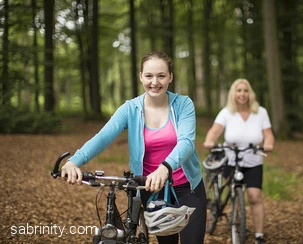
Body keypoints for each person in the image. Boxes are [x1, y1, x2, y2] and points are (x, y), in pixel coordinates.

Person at [61, 51, 206, 244]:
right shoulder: (130, 108)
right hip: (150, 188)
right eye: (149, 76)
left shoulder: (183, 104)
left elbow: (186, 143)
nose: (155, 82)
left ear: (170, 77)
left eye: (161, 75)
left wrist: (164, 168)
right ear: (141, 77)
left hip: (187, 187)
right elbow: (103, 137)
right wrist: (73, 161)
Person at [203, 78, 275, 244]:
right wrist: (209, 141)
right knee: (233, 191)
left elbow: (268, 134)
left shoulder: (260, 112)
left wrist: (268, 144)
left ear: (250, 94)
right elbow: (214, 131)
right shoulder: (227, 112)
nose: (242, 94)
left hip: (253, 160)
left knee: (254, 196)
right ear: (233, 94)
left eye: (245, 90)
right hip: (231, 159)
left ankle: (259, 235)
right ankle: (237, 224)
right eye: (239, 90)